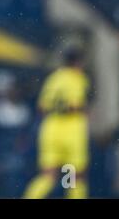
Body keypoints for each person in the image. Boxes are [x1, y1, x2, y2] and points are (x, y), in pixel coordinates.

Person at [23, 47, 90, 199]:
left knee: (48, 175)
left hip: (51, 129)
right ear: (78, 62)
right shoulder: (77, 78)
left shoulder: (53, 78)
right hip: (72, 131)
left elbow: (41, 107)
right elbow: (75, 105)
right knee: (74, 175)